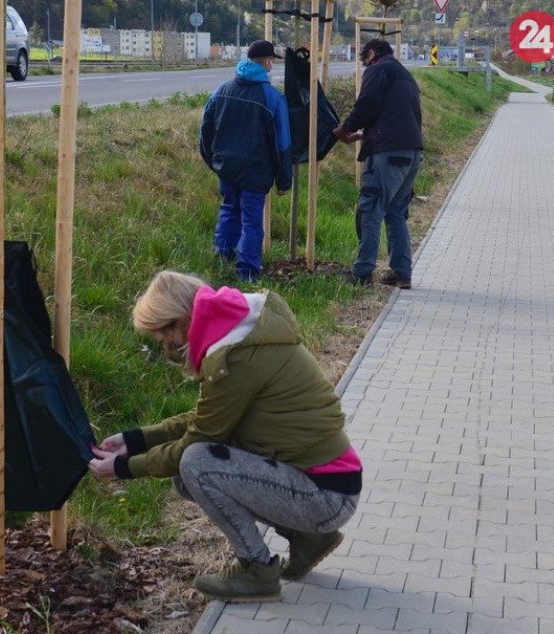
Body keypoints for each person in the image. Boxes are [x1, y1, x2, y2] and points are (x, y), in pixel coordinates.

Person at [88, 271, 362, 602]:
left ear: (180, 321)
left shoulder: (236, 357)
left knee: (196, 464)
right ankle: (308, 538)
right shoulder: (239, 333)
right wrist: (136, 439)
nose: (168, 348)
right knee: (186, 477)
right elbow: (206, 418)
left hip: (327, 496)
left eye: (165, 338)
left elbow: (197, 439)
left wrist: (124, 468)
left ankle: (257, 569)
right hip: (323, 482)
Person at [200, 40, 293, 283]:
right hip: (256, 171)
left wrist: (212, 160)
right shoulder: (273, 98)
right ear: (268, 63)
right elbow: (283, 144)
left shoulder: (222, 89)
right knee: (252, 220)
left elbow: (205, 128)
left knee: (229, 210)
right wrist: (284, 181)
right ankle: (248, 272)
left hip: (227, 167)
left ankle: (222, 259)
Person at [333, 39, 423, 290]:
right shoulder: (405, 75)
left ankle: (363, 272)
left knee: (370, 210)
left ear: (372, 53)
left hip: (387, 154)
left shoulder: (378, 69)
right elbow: (397, 116)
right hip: (412, 153)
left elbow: (367, 104)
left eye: (364, 61)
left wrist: (346, 128)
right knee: (396, 213)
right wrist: (364, 134)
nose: (365, 66)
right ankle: (402, 273)